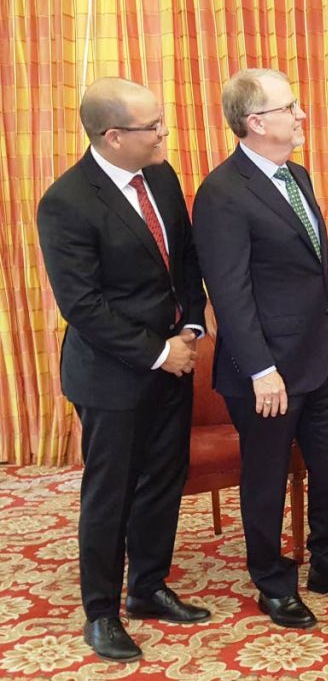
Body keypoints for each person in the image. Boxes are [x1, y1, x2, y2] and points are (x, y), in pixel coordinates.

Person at [192, 68, 328, 629]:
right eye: (290, 107)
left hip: (317, 359)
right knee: (267, 478)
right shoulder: (222, 193)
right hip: (265, 372)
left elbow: (315, 266)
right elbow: (229, 292)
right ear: (256, 121)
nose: (301, 115)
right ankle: (272, 581)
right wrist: (261, 368)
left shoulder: (295, 175)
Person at [36, 77, 210, 662]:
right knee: (110, 493)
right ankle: (101, 612)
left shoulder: (159, 174)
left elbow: (183, 258)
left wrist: (189, 326)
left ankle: (148, 588)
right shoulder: (66, 202)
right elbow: (82, 306)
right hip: (113, 375)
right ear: (113, 136)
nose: (164, 133)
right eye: (152, 126)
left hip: (173, 361)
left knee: (164, 478)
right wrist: (159, 352)